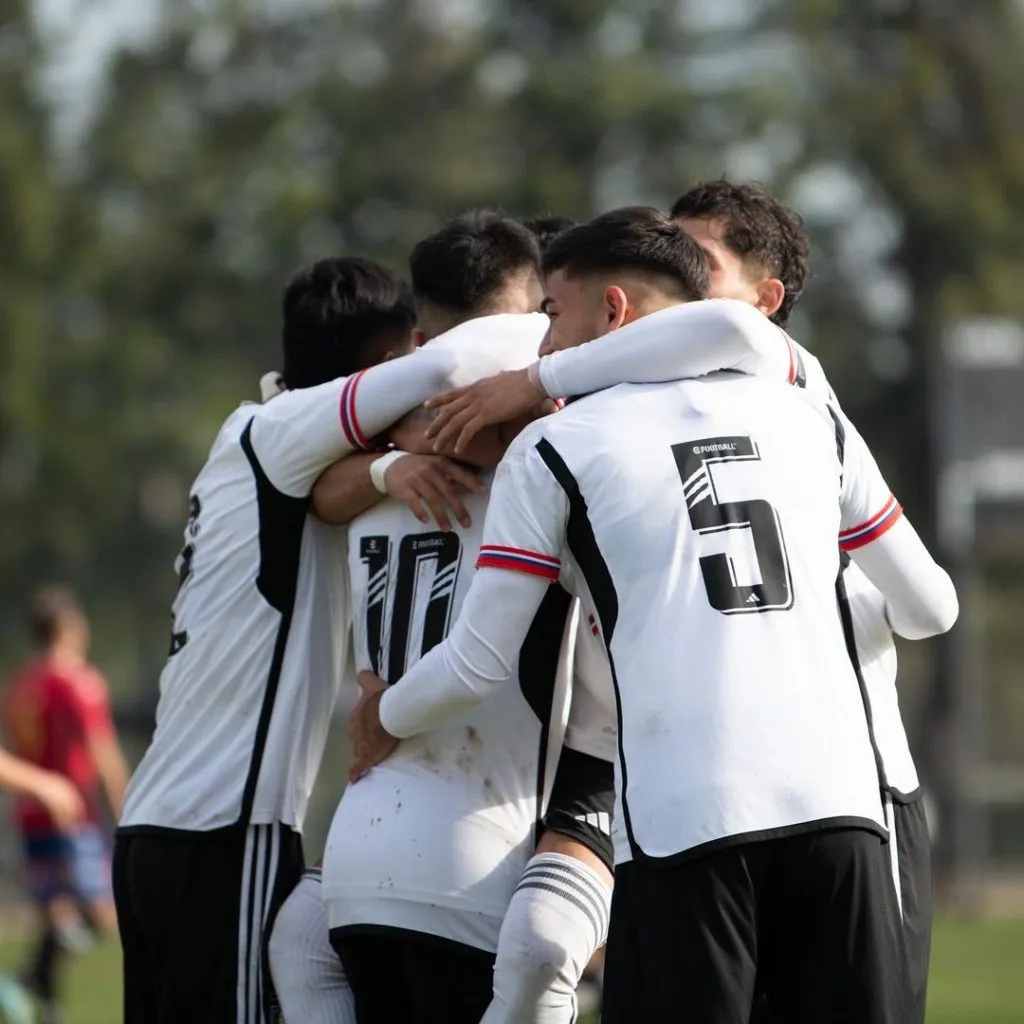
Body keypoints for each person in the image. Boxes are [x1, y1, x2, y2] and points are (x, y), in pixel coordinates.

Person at [347, 207, 958, 1023]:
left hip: (684, 823)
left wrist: (378, 713)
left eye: (552, 315)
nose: (540, 345)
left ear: (614, 312)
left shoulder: (558, 447)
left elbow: (476, 664)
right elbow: (931, 607)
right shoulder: (809, 408)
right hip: (842, 812)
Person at [113, 251, 611, 1024]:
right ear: (385, 363)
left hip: (148, 828)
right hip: (228, 828)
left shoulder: (245, 436)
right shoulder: (286, 432)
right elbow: (450, 362)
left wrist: (387, 467)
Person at [284, 210, 615, 1024]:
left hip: (363, 847)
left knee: (294, 942)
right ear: (536, 308)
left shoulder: (360, 463)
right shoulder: (556, 418)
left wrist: (396, 451)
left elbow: (325, 491)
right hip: (483, 847)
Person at [1, 586, 128, 1024]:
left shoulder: (20, 684)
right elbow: (102, 750)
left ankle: (48, 1010)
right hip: (70, 813)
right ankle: (23, 980)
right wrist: (127, 810)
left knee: (54, 914)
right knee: (102, 915)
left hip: (30, 813)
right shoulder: (80, 681)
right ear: (69, 628)